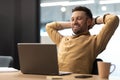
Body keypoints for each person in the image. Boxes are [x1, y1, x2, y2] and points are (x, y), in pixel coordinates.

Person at [45, 6, 119, 74]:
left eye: (79, 18)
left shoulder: (95, 41)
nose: (74, 21)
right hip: (55, 77)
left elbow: (113, 19)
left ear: (89, 21)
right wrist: (73, 24)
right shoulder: (63, 40)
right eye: (72, 19)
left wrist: (95, 20)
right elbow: (49, 27)